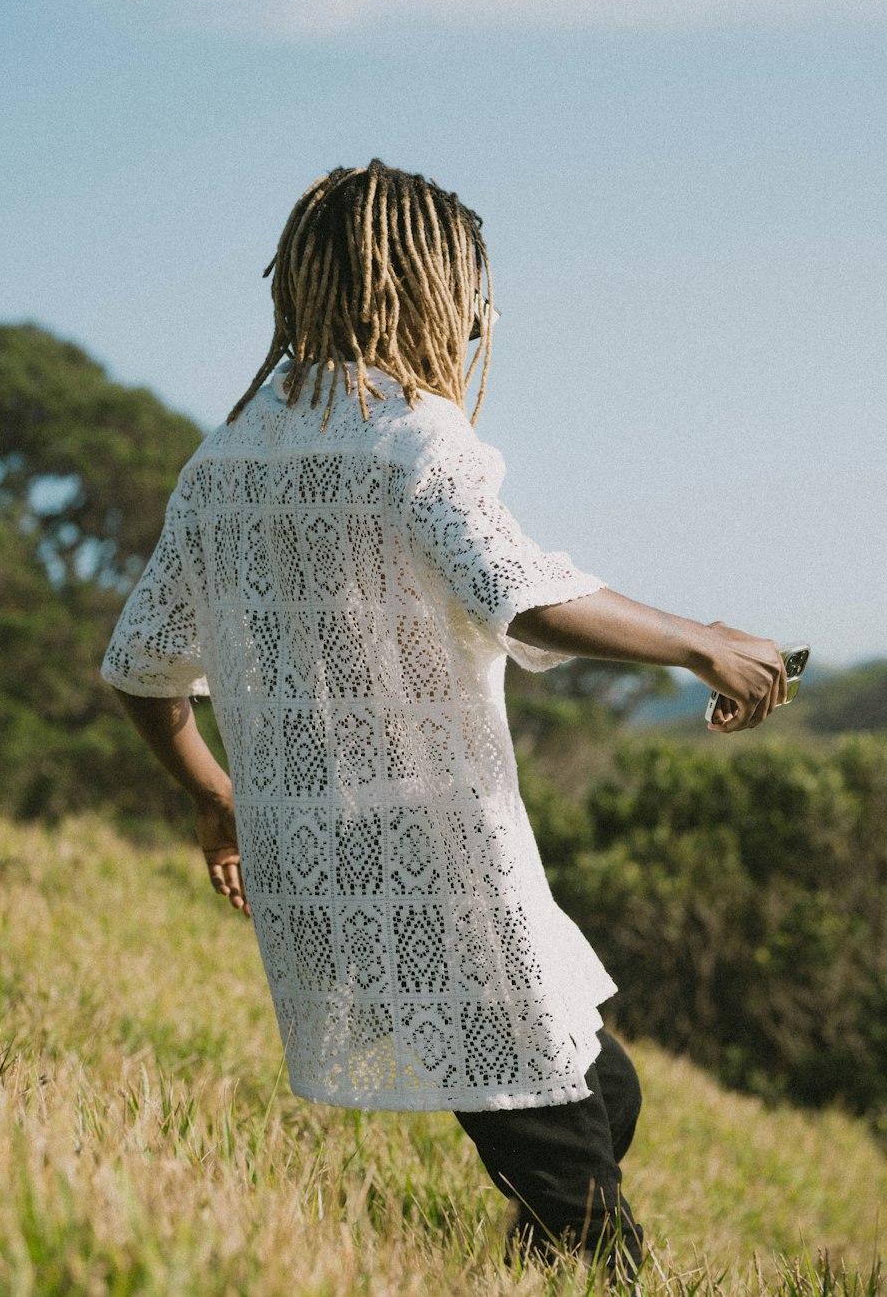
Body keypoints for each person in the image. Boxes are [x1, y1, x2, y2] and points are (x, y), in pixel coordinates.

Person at [101, 159, 786, 1280]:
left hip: (321, 857)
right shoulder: (415, 437)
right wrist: (697, 638)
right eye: (474, 291)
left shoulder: (222, 461)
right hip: (439, 861)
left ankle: (532, 1254)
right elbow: (515, 586)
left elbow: (141, 669)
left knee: (600, 1088)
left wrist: (216, 799)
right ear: (422, 286)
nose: (479, 317)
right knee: (576, 1184)